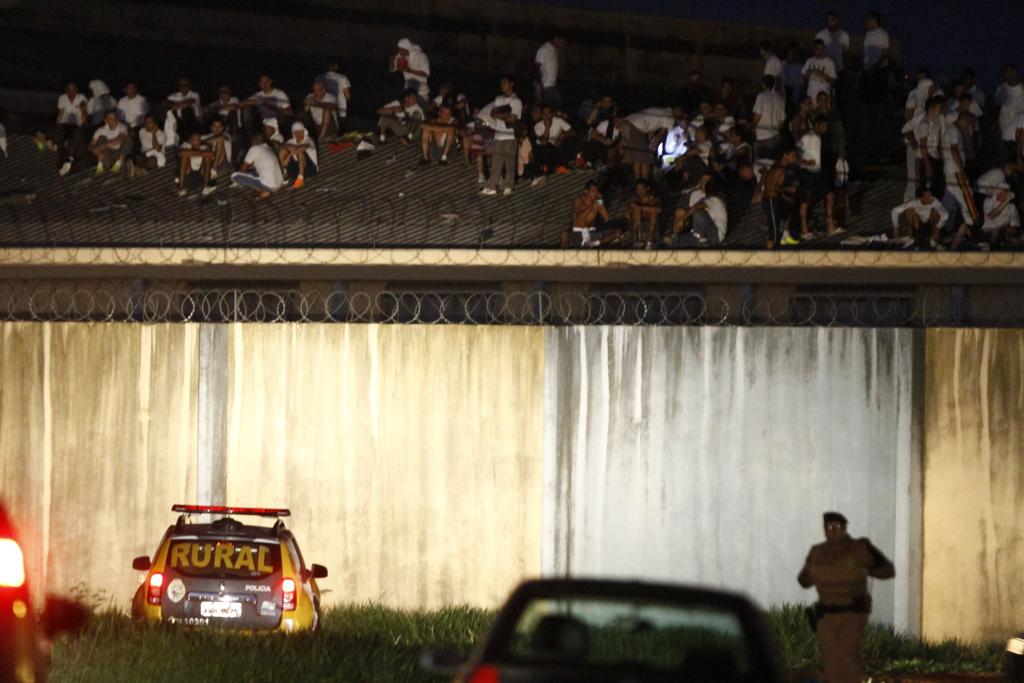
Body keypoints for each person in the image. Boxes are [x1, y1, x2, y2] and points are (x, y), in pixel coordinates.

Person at [798, 512, 894, 683]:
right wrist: (812, 573)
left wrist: (865, 570)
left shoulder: (860, 548)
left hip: (852, 615)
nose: (833, 531)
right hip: (826, 617)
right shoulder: (817, 552)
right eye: (829, 528)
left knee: (848, 660)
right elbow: (803, 581)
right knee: (831, 662)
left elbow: (888, 570)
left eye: (837, 527)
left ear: (844, 529)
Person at [479, 76, 522, 196]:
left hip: (510, 134)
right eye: (501, 83)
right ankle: (491, 186)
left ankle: (508, 186)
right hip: (499, 133)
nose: (502, 85)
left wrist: (500, 115)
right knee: (496, 161)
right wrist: (505, 115)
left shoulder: (516, 101)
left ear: (511, 84)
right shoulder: (498, 99)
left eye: (505, 83)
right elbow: (493, 114)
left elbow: (514, 118)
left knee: (509, 162)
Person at [754, 147, 799, 248]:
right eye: (793, 156)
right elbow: (773, 187)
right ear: (785, 156)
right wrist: (788, 189)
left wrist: (786, 198)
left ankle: (785, 236)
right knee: (773, 234)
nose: (795, 159)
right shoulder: (781, 169)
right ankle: (769, 256)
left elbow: (766, 176)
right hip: (771, 200)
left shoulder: (777, 165)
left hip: (773, 200)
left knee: (790, 210)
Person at [670, 172, 727, 247]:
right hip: (698, 228)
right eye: (704, 181)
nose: (705, 183)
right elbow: (691, 210)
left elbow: (697, 207)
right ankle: (675, 237)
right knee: (677, 240)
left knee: (698, 213)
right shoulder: (697, 195)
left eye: (707, 182)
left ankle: (701, 240)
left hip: (715, 234)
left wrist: (683, 219)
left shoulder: (715, 199)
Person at [563, 179, 621, 248]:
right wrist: (592, 207)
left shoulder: (597, 202)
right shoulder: (579, 200)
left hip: (592, 233)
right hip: (579, 232)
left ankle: (596, 243)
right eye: (593, 191)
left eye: (596, 191)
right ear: (586, 191)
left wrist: (600, 201)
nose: (595, 193)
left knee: (617, 232)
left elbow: (606, 218)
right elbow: (578, 217)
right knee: (564, 234)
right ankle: (587, 243)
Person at [231, 131, 284, 199]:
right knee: (254, 172)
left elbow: (242, 169)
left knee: (235, 175)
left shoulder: (254, 149)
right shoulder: (268, 148)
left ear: (254, 140)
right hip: (279, 183)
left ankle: (263, 191)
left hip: (269, 185)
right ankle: (264, 189)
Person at [50, 82, 88, 176]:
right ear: (66, 91)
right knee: (60, 137)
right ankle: (54, 146)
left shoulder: (81, 98)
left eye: (73, 90)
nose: (71, 92)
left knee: (74, 138)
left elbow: (84, 113)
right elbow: (60, 114)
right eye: (69, 90)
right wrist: (57, 127)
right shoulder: (62, 98)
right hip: (65, 124)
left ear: (76, 90)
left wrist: (83, 121)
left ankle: (69, 161)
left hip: (77, 125)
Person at [532, 105, 574, 176]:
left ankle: (561, 165)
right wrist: (547, 127)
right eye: (544, 114)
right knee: (545, 148)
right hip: (544, 148)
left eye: (548, 113)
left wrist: (563, 136)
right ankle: (553, 167)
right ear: (541, 116)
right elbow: (544, 142)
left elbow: (573, 132)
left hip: (558, 144)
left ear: (552, 114)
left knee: (570, 140)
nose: (546, 116)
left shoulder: (558, 120)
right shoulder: (537, 126)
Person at [752, 75, 785, 160]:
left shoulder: (761, 97)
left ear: (763, 84)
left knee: (762, 163)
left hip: (764, 137)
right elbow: (782, 120)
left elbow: (758, 116)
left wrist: (752, 127)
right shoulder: (779, 98)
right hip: (776, 136)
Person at [89, 110, 131, 175]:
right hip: (106, 154)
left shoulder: (122, 127)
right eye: (111, 118)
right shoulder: (100, 130)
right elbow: (91, 144)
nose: (114, 120)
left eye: (115, 117)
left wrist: (100, 147)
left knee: (128, 139)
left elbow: (119, 140)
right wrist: (95, 151)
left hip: (118, 153)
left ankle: (119, 163)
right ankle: (102, 165)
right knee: (102, 138)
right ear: (106, 120)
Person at [278, 121, 318, 189]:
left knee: (300, 151)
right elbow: (284, 146)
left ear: (303, 131)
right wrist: (289, 150)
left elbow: (302, 148)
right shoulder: (291, 141)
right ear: (293, 133)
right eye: (296, 132)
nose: (298, 134)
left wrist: (289, 155)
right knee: (282, 151)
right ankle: (286, 174)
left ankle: (300, 179)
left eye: (300, 131)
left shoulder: (309, 140)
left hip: (310, 169)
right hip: (297, 168)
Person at [163, 78, 202, 147]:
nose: (183, 87)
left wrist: (174, 104)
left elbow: (189, 102)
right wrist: (179, 104)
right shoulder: (175, 95)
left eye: (185, 85)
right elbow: (165, 103)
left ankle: (184, 142)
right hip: (178, 120)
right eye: (181, 85)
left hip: (193, 121)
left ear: (189, 85)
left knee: (186, 111)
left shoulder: (194, 94)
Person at [177, 131, 214, 197]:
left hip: (201, 173)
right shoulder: (185, 145)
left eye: (199, 139)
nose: (197, 142)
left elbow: (210, 154)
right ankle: (181, 186)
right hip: (188, 172)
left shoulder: (204, 147)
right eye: (195, 139)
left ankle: (205, 186)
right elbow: (181, 153)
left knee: (207, 158)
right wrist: (201, 153)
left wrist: (191, 153)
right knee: (185, 158)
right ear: (190, 140)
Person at [535, 31, 567, 106]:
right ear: (556, 38)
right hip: (544, 86)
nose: (563, 43)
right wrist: (540, 86)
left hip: (552, 85)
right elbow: (536, 68)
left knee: (557, 106)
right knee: (542, 107)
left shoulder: (555, 50)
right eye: (562, 41)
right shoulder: (544, 49)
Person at [628, 179, 662, 247]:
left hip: (653, 227)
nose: (640, 191)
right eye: (638, 189)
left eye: (642, 188)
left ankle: (649, 241)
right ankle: (636, 241)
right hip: (639, 225)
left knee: (653, 212)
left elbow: (659, 209)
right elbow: (627, 214)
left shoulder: (653, 199)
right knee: (635, 210)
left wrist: (640, 207)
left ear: (647, 188)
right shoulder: (635, 200)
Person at [802, 39, 837, 105]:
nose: (820, 51)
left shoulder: (829, 63)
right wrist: (808, 73)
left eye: (822, 48)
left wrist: (823, 75)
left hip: (823, 98)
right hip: (811, 96)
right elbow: (804, 78)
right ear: (814, 49)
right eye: (817, 48)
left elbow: (834, 81)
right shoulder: (809, 61)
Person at [815, 12, 850, 76]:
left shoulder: (844, 35)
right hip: (824, 69)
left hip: (838, 69)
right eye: (828, 21)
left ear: (837, 20)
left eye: (832, 20)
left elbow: (845, 53)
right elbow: (815, 51)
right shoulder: (820, 35)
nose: (830, 23)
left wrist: (846, 68)